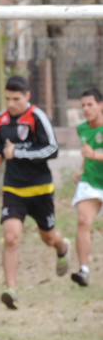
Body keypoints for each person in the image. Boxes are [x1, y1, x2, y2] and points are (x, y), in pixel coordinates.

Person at [0, 75, 70, 310]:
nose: (11, 104)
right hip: (13, 189)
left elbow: (52, 149)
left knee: (48, 238)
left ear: (27, 96)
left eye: (16, 99)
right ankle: (11, 291)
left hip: (40, 190)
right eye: (7, 99)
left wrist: (18, 153)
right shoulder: (1, 120)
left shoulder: (37, 117)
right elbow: (1, 145)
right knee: (11, 237)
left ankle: (62, 247)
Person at [70, 88, 103, 287]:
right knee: (83, 220)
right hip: (90, 182)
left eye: (90, 104)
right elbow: (87, 152)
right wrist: (81, 169)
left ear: (101, 105)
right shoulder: (82, 128)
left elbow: (93, 153)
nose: (86, 109)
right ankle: (83, 271)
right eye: (83, 105)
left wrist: (95, 156)